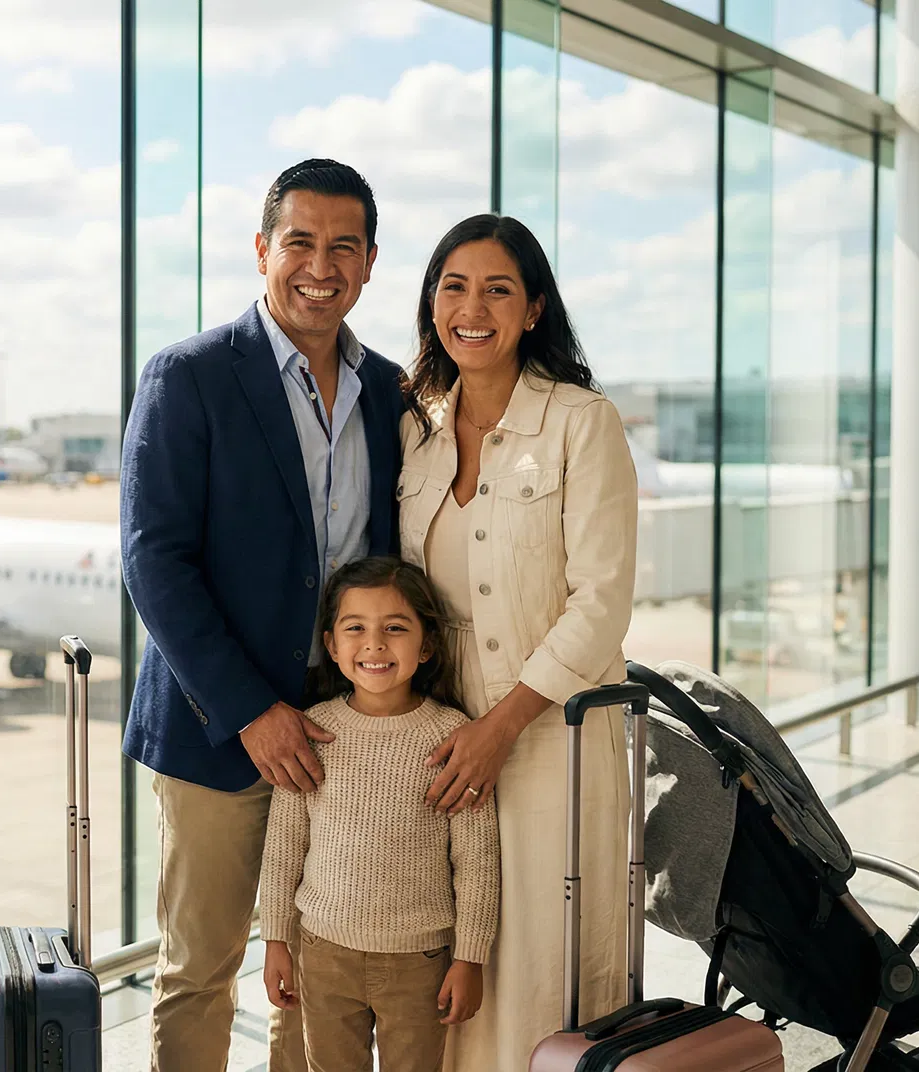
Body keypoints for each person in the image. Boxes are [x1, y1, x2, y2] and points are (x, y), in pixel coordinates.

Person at [120, 158, 407, 1072]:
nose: (319, 265)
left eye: (342, 247)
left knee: (319, 969)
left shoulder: (393, 393)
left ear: (368, 264)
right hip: (219, 733)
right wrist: (250, 709)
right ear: (261, 251)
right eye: (300, 242)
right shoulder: (190, 376)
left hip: (345, 736)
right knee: (202, 967)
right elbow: (153, 561)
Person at [395, 214, 639, 1070]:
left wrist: (502, 728)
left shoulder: (583, 422)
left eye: (498, 289)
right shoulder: (413, 427)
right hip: (441, 745)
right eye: (453, 287)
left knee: (542, 971)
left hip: (550, 742)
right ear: (431, 304)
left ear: (533, 309)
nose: (473, 307)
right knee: (454, 977)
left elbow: (602, 602)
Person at [259, 556, 499, 1072]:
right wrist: (276, 939)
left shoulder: (451, 738)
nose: (374, 644)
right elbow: (283, 847)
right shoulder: (312, 733)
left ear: (427, 644)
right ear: (331, 645)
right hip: (323, 955)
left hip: (419, 963)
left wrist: (470, 958)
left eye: (395, 628)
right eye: (356, 629)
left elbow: (478, 861)